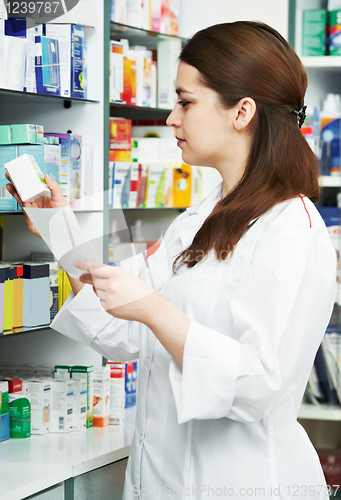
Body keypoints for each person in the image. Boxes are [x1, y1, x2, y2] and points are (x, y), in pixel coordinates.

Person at [7, 21, 336, 500]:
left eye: (186, 101)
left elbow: (256, 384)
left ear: (242, 111)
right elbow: (122, 332)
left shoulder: (294, 229)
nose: (171, 119)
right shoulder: (199, 218)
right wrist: (60, 229)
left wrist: (155, 309)